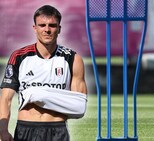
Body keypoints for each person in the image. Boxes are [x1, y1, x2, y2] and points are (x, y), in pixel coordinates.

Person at [0, 5, 88, 141]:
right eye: (42, 25)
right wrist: (3, 130)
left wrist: (36, 95)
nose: (47, 30)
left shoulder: (73, 59)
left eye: (52, 25)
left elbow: (79, 107)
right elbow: (6, 99)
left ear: (59, 29)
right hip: (25, 130)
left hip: (57, 130)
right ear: (34, 28)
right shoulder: (18, 56)